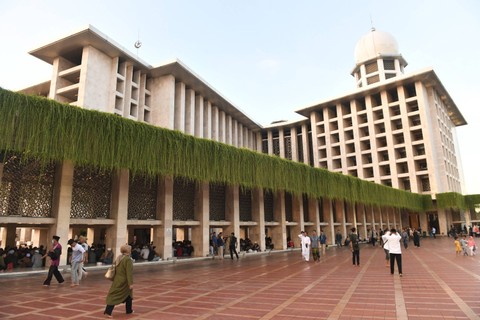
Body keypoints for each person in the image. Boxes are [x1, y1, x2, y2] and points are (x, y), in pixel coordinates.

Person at [104, 244, 134, 317]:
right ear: (128, 251)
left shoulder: (119, 258)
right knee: (115, 296)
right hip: (124, 281)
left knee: (128, 295)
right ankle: (108, 312)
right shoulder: (128, 259)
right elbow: (129, 273)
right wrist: (130, 283)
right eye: (130, 249)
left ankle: (129, 310)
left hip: (117, 280)